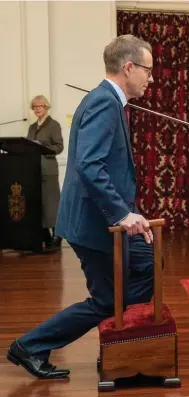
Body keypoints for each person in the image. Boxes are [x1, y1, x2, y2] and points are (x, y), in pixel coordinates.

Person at [6, 34, 156, 379]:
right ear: (128, 67)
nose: (151, 78)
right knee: (106, 301)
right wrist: (122, 213)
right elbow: (90, 166)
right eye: (147, 70)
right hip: (94, 222)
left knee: (148, 260)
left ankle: (123, 343)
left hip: (101, 218)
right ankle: (31, 346)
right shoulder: (104, 102)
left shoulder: (107, 100)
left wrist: (127, 211)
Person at [27, 95, 64, 252]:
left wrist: (44, 149)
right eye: (35, 107)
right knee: (39, 204)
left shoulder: (53, 125)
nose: (37, 109)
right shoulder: (32, 127)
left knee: (51, 203)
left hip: (48, 169)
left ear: (46, 107)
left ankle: (57, 236)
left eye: (40, 106)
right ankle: (45, 236)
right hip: (34, 170)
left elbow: (59, 146)